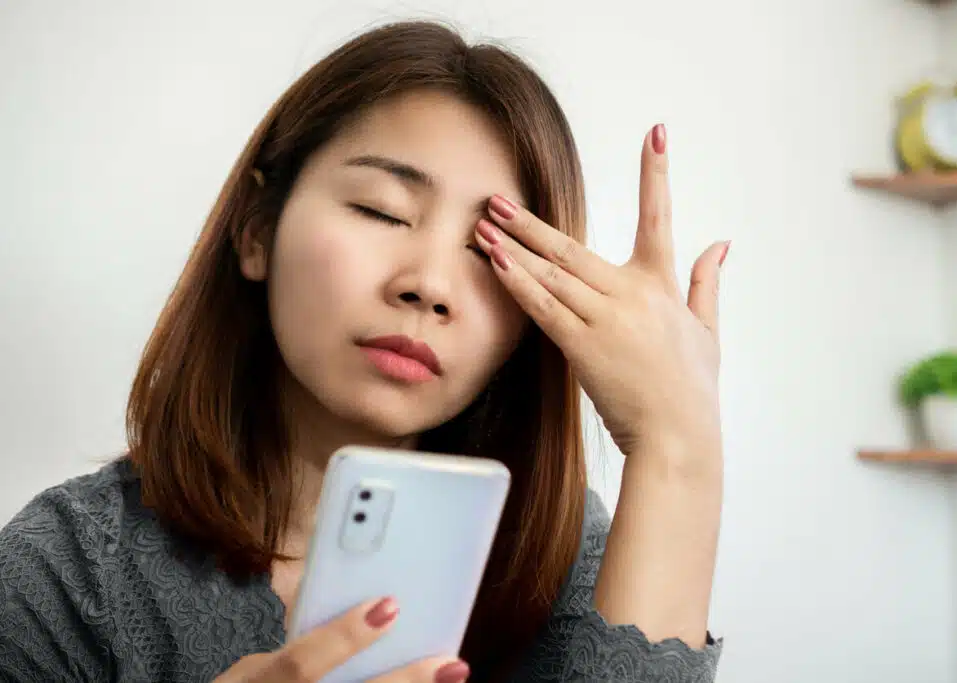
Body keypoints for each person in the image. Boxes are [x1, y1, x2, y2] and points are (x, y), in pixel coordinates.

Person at [0, 19, 728, 683]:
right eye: (382, 211)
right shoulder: (62, 578)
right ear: (257, 229)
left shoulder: (563, 561)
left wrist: (677, 444)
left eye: (488, 250)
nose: (430, 286)